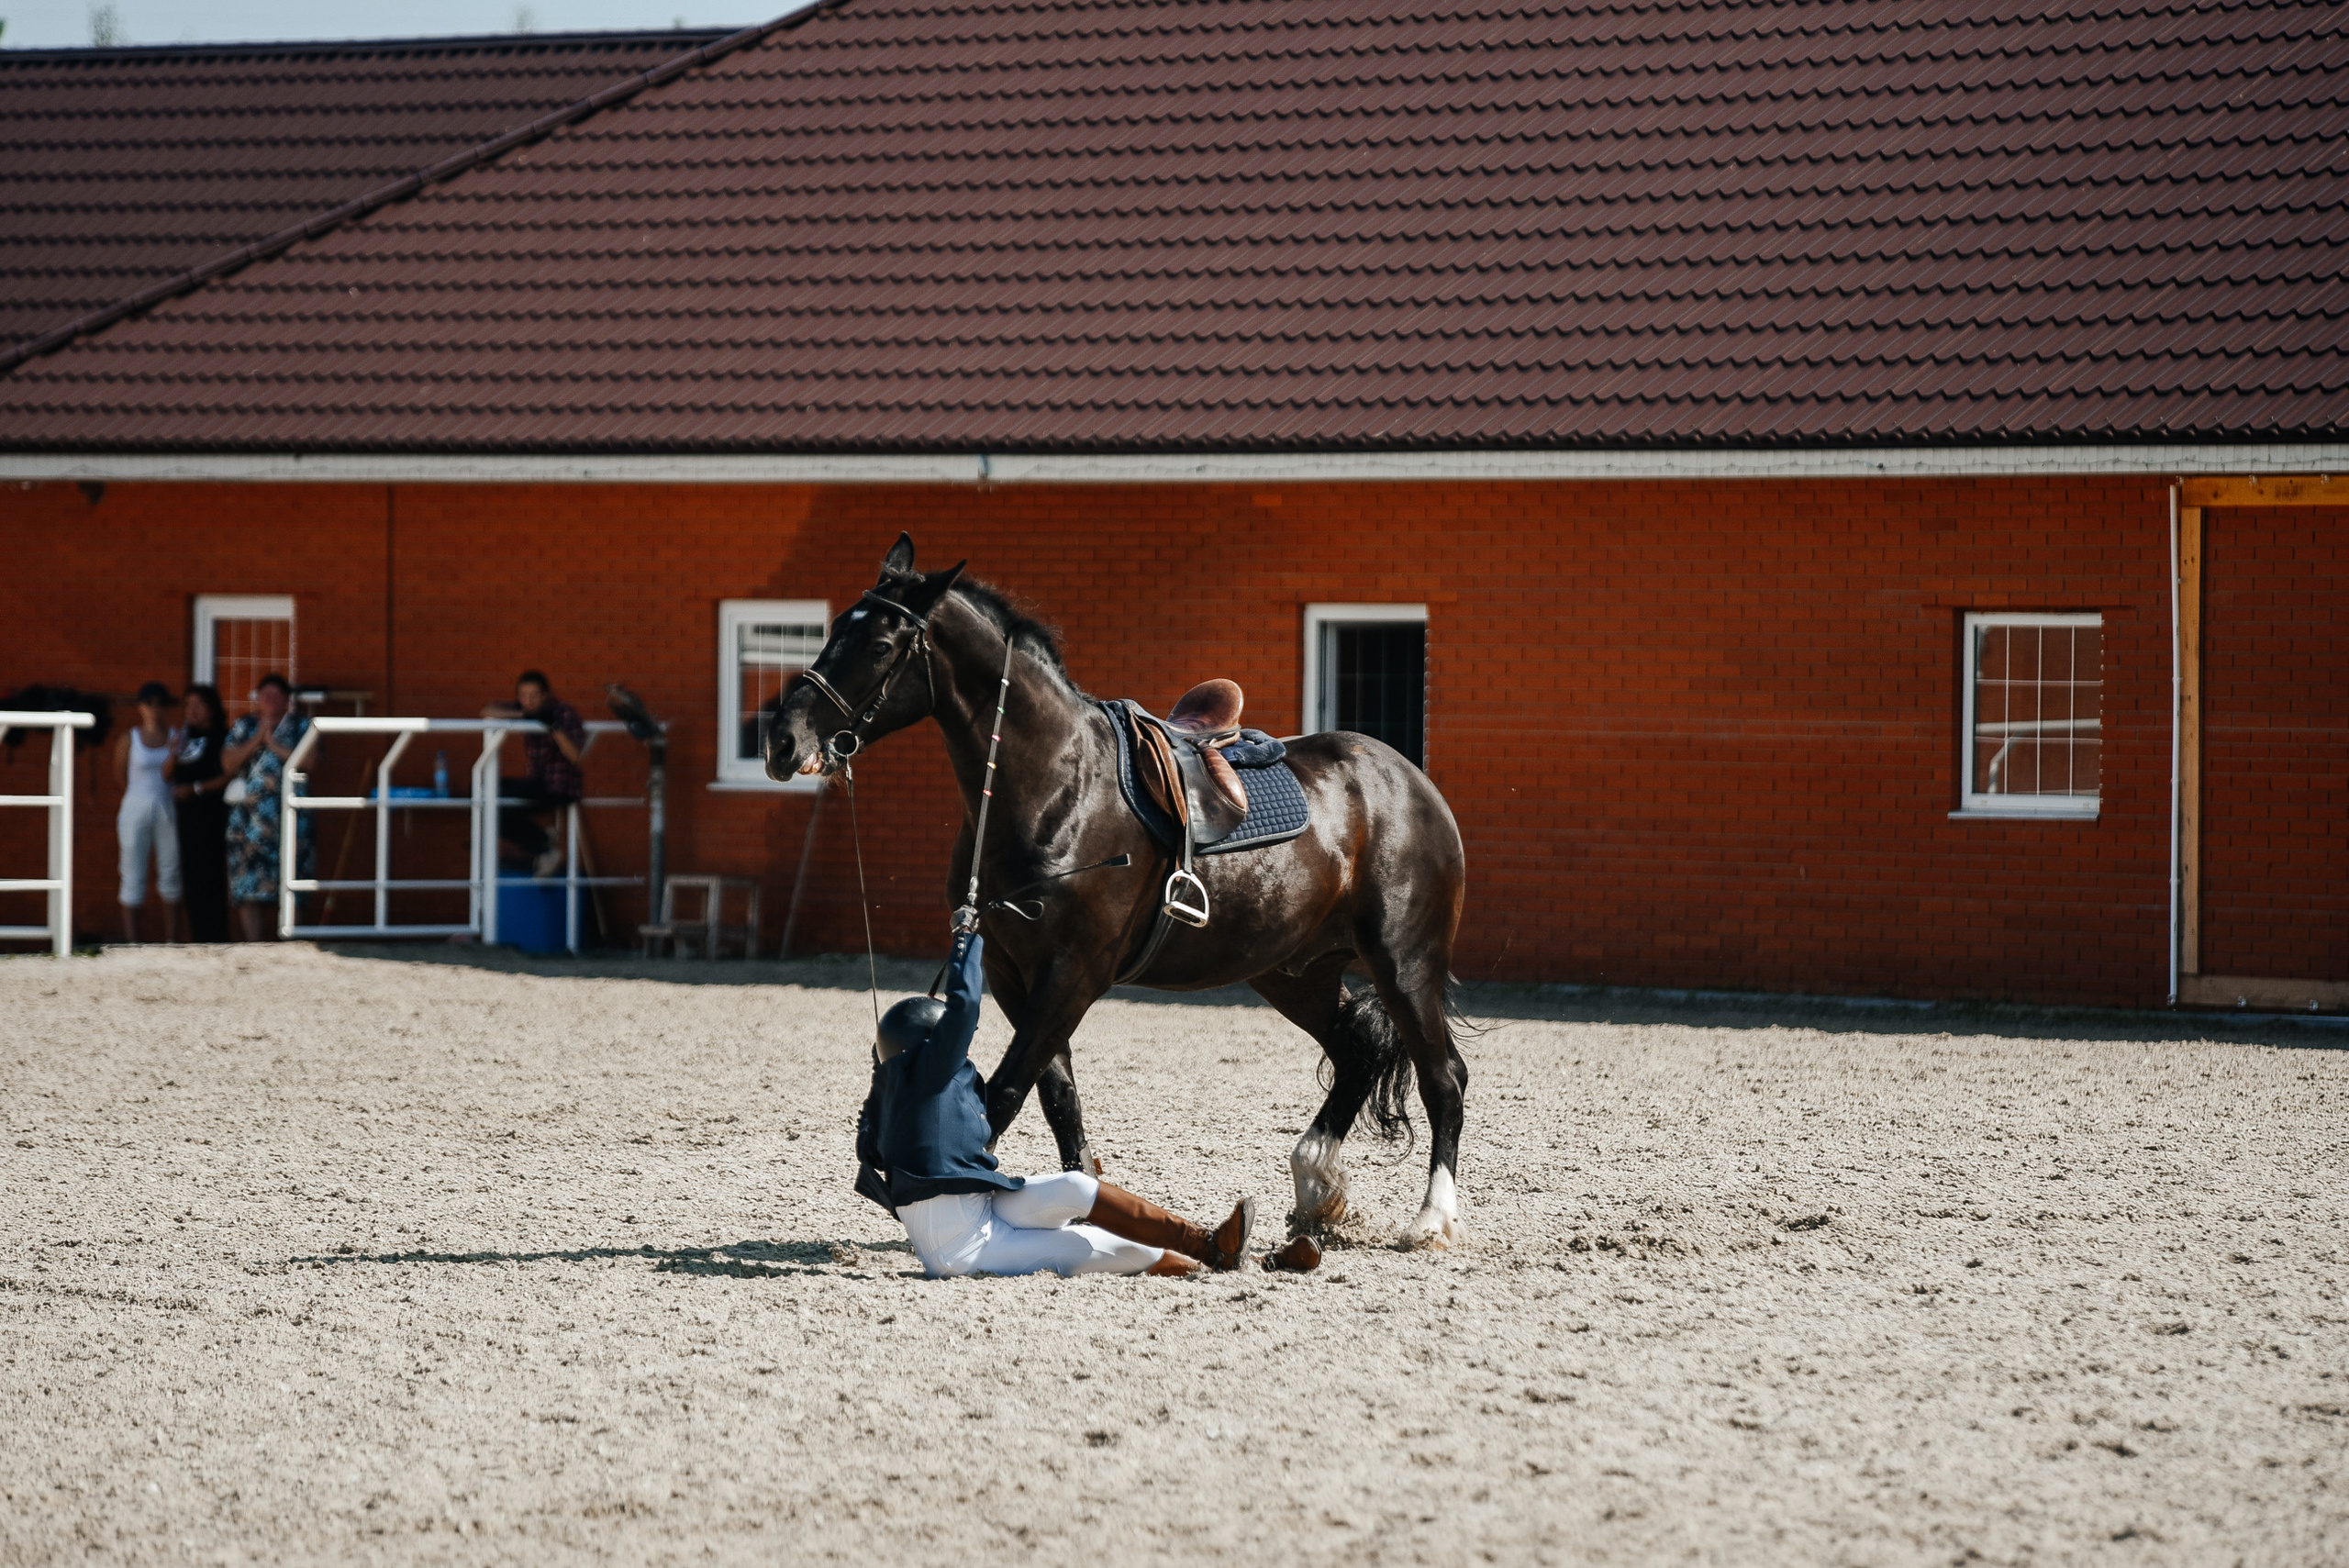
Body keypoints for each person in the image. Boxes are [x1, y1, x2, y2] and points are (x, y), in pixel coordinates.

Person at [856, 907, 1255, 1278]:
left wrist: (882, 1056)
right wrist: (965, 937)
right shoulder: (925, 1078)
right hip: (964, 1248)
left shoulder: (887, 1101)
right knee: (1109, 1248)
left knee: (1074, 1186)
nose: (966, 1051)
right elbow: (964, 1007)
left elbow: (881, 1085)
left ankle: (1209, 1244)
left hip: (980, 1207)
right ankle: (1217, 1258)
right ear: (926, 1049)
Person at [220, 674, 313, 942]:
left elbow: (310, 762)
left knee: (293, 877)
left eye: (277, 695)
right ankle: (254, 944)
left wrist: (273, 745)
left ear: (286, 700)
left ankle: (292, 939)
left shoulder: (301, 725)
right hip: (249, 823)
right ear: (258, 698)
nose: (271, 700)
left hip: (291, 819)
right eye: (266, 694)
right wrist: (257, 740)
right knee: (249, 881)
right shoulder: (245, 725)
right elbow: (227, 763)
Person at [481, 670, 585, 879]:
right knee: (484, 793)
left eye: (534, 695)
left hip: (560, 786)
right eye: (523, 695)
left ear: (546, 695)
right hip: (536, 784)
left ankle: (544, 846)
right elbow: (487, 711)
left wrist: (553, 728)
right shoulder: (526, 709)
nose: (528, 700)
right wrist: (525, 716)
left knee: (497, 805)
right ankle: (543, 841)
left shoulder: (563, 712)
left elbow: (575, 755)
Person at [113, 681, 183, 943]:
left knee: (171, 870)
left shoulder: (175, 736)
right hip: (135, 806)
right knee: (132, 872)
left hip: (167, 807)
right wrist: (139, 797)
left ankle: (172, 939)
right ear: (141, 707)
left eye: (160, 704)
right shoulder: (129, 738)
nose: (155, 709)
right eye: (149, 704)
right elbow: (119, 775)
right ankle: (132, 941)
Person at [169, 683, 232, 942]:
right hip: (186, 820)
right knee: (191, 877)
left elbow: (228, 775)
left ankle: (217, 936)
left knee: (212, 876)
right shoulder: (185, 738)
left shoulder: (223, 737)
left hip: (213, 817)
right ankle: (197, 936)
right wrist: (173, 751)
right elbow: (167, 774)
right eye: (188, 705)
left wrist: (195, 789)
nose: (193, 711)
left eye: (199, 705)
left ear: (212, 707)